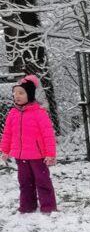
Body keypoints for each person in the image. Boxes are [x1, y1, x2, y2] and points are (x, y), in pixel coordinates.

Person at [2, 75, 57, 214]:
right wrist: (5, 150)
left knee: (42, 181)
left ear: (30, 95)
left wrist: (50, 154)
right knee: (25, 183)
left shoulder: (39, 113)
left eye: (21, 93)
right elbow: (7, 133)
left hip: (38, 156)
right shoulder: (13, 113)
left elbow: (48, 135)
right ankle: (27, 206)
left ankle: (48, 206)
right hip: (20, 156)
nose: (17, 96)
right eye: (15, 93)